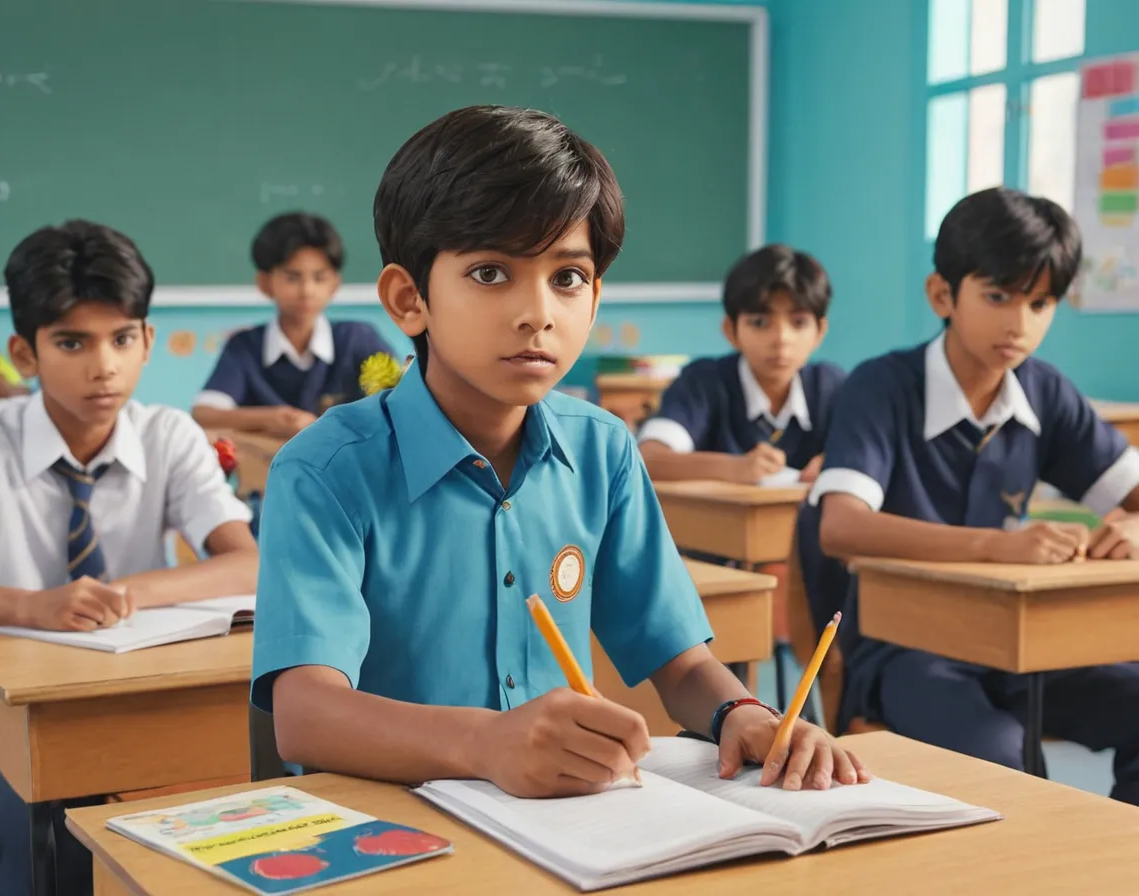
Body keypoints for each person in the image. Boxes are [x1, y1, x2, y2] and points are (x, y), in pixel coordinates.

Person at [251, 105, 868, 803]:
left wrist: (744, 714)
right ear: (408, 298)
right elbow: (304, 716)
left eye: (567, 277)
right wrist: (485, 744)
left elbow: (679, 661)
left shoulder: (602, 449)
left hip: (565, 825)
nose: (537, 312)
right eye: (490, 273)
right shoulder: (326, 470)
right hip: (392, 826)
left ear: (595, 295)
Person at [809, 186, 1139, 804]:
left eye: (1040, 303)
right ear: (943, 295)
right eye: (997, 296)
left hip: (1025, 642)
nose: (1019, 323)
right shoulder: (882, 387)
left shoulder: (1045, 392)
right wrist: (999, 546)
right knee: (1002, 757)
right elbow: (841, 527)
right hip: (908, 651)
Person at [0, 219, 259, 894]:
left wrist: (126, 593)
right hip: (3, 708)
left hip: (120, 689)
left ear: (147, 343)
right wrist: (32, 606)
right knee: (28, 832)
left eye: (121, 338)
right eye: (72, 342)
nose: (102, 365)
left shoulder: (168, 435)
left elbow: (247, 562)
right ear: (25, 353)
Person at [639, 245, 844, 486]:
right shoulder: (704, 382)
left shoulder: (833, 387)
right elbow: (648, 459)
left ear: (819, 332)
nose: (781, 339)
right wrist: (734, 468)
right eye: (760, 322)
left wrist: (838, 464)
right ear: (731, 330)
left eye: (798, 322)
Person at [192, 212, 395, 438]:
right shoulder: (245, 347)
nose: (307, 291)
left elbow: (398, 397)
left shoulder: (358, 338)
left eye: (319, 278)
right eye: (292, 277)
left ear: (335, 284)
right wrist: (274, 417)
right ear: (265, 283)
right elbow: (203, 413)